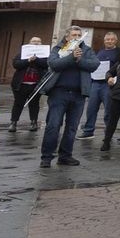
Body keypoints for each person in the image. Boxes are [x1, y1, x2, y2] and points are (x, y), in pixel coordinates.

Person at [39, 26, 101, 167]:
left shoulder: (86, 50)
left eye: (79, 35)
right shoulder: (58, 48)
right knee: (53, 126)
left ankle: (65, 156)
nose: (77, 37)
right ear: (67, 37)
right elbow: (54, 64)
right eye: (74, 34)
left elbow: (94, 64)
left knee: (72, 127)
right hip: (59, 93)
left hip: (78, 94)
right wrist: (71, 57)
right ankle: (46, 157)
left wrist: (79, 60)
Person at [77, 31, 120, 140]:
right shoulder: (100, 51)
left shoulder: (119, 53)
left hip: (108, 85)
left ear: (116, 41)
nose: (109, 41)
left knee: (108, 111)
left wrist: (113, 78)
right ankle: (88, 131)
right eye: (107, 39)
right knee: (91, 109)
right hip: (95, 83)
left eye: (111, 39)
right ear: (104, 41)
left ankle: (108, 133)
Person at [8, 38, 48, 133]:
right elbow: (16, 64)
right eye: (34, 41)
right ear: (29, 43)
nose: (36, 43)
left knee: (34, 104)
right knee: (18, 103)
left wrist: (36, 59)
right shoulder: (22, 53)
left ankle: (33, 122)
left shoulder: (44, 55)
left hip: (36, 84)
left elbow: (46, 64)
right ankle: (13, 123)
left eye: (38, 41)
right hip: (21, 84)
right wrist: (28, 60)